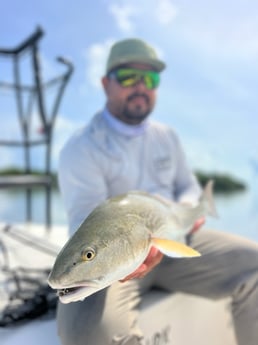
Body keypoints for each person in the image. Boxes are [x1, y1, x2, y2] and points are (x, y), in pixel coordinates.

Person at [56, 38, 258, 345]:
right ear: (105, 83)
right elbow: (85, 221)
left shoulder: (167, 136)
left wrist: (193, 207)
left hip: (175, 237)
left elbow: (188, 187)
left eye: (149, 78)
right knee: (85, 334)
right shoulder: (81, 147)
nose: (140, 86)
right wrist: (96, 255)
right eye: (128, 77)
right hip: (122, 265)